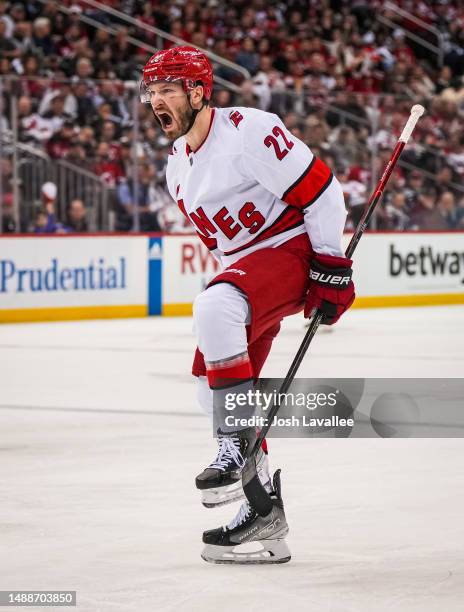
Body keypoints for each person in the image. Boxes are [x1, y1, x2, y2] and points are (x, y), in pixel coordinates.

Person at [140, 46, 355, 564]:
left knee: (213, 308)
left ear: (197, 91)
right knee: (206, 389)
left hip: (291, 249)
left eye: (168, 90)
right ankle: (262, 510)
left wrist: (331, 268)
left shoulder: (249, 131)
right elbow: (223, 247)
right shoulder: (176, 169)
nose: (157, 102)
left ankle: (234, 445)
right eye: (152, 93)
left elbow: (324, 192)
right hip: (249, 273)